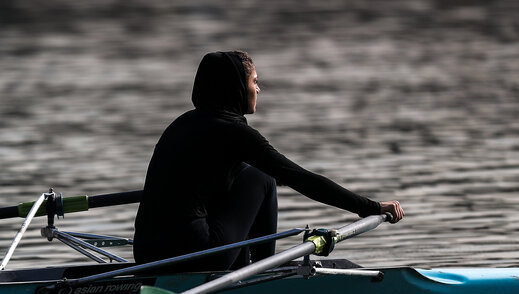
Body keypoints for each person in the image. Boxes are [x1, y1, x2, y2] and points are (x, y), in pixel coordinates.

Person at [133, 50, 403, 271]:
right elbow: (302, 179)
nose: (258, 89)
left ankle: (244, 264)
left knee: (252, 175)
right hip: (197, 255)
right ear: (236, 88)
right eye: (254, 82)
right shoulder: (235, 132)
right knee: (261, 178)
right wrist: (370, 206)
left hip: (145, 254)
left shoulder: (181, 125)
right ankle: (262, 270)